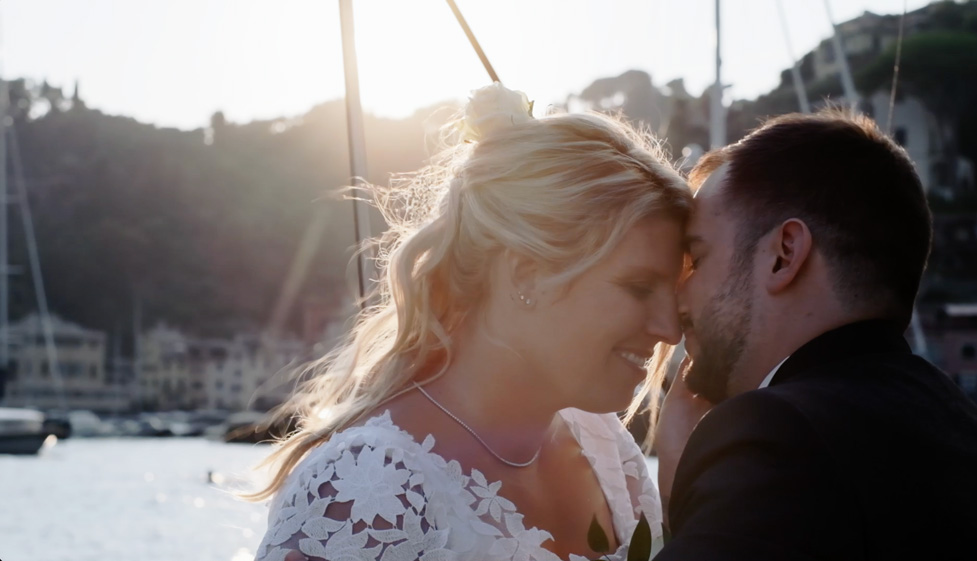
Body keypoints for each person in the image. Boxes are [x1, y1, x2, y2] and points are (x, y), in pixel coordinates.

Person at [252, 82, 693, 561]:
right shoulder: (368, 489)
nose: (670, 329)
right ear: (527, 273)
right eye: (638, 287)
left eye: (672, 294)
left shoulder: (606, 448)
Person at [653, 109, 977, 560]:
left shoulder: (777, 437)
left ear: (784, 254)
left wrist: (685, 493)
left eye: (697, 259)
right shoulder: (971, 434)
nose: (678, 295)